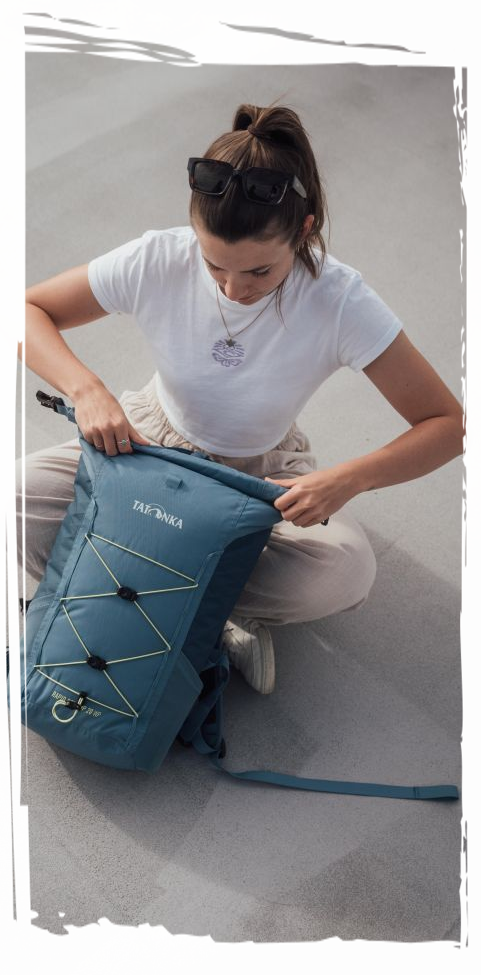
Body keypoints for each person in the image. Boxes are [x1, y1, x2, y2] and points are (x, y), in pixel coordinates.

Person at [0, 101, 473, 696]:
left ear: (304, 232)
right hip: (147, 445)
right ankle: (202, 621)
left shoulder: (339, 299)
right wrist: (86, 389)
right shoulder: (159, 256)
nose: (232, 288)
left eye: (259, 272)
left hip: (260, 472)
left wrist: (349, 479)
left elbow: (449, 426)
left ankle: (155, 602)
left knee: (342, 573)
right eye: (214, 265)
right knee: (11, 502)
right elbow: (21, 311)